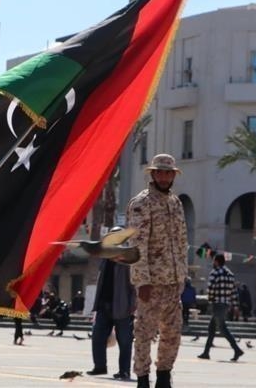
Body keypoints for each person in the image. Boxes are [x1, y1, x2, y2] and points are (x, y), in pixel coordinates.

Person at [128, 153, 188, 388]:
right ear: (153, 174)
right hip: (151, 283)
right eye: (160, 172)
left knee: (172, 333)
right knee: (144, 332)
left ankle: (164, 376)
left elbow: (182, 242)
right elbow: (137, 246)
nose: (164, 177)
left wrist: (182, 276)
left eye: (168, 173)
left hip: (173, 282)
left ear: (173, 175)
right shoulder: (142, 203)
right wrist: (142, 281)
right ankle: (142, 378)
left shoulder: (176, 203)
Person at [87, 242, 136, 381]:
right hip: (103, 305)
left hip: (122, 306)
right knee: (97, 336)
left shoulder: (128, 263)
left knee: (125, 341)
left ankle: (124, 371)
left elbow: (134, 285)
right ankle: (100, 366)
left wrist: (133, 304)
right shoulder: (105, 261)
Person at [198, 254, 244, 362]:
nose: (213, 263)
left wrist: (210, 300)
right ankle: (206, 352)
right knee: (211, 328)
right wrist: (236, 306)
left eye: (214, 261)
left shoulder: (215, 273)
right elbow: (234, 291)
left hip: (217, 304)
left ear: (217, 262)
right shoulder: (230, 274)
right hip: (225, 304)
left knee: (222, 328)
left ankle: (237, 349)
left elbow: (210, 288)